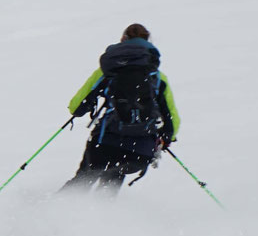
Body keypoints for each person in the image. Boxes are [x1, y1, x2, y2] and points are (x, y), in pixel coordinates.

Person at [64, 22, 180, 190]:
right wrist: (166, 138)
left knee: (82, 183)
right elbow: (173, 121)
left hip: (105, 143)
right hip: (140, 151)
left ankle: (51, 211)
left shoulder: (108, 71)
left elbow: (76, 107)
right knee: (111, 182)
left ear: (123, 40)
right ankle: (102, 214)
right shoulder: (158, 78)